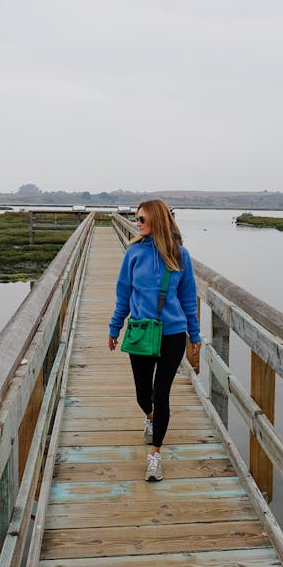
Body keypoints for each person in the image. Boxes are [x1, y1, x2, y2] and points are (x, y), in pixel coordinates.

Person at [109, 199, 201, 482]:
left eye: (142, 219)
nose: (138, 223)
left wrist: (194, 335)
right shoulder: (133, 253)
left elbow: (188, 298)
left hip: (172, 335)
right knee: (142, 394)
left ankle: (155, 454)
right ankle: (149, 417)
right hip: (140, 331)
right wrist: (115, 328)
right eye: (136, 219)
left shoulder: (179, 254)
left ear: (157, 221)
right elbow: (123, 295)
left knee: (162, 394)